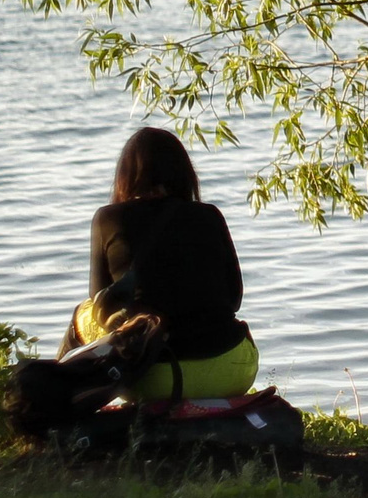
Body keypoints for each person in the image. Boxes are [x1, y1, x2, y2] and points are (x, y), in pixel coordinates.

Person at [59, 127, 258, 401]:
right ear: (184, 173)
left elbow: (99, 303)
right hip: (229, 371)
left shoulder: (107, 218)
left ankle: (52, 401)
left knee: (83, 313)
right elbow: (233, 300)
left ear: (124, 176)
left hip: (145, 377)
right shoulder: (210, 215)